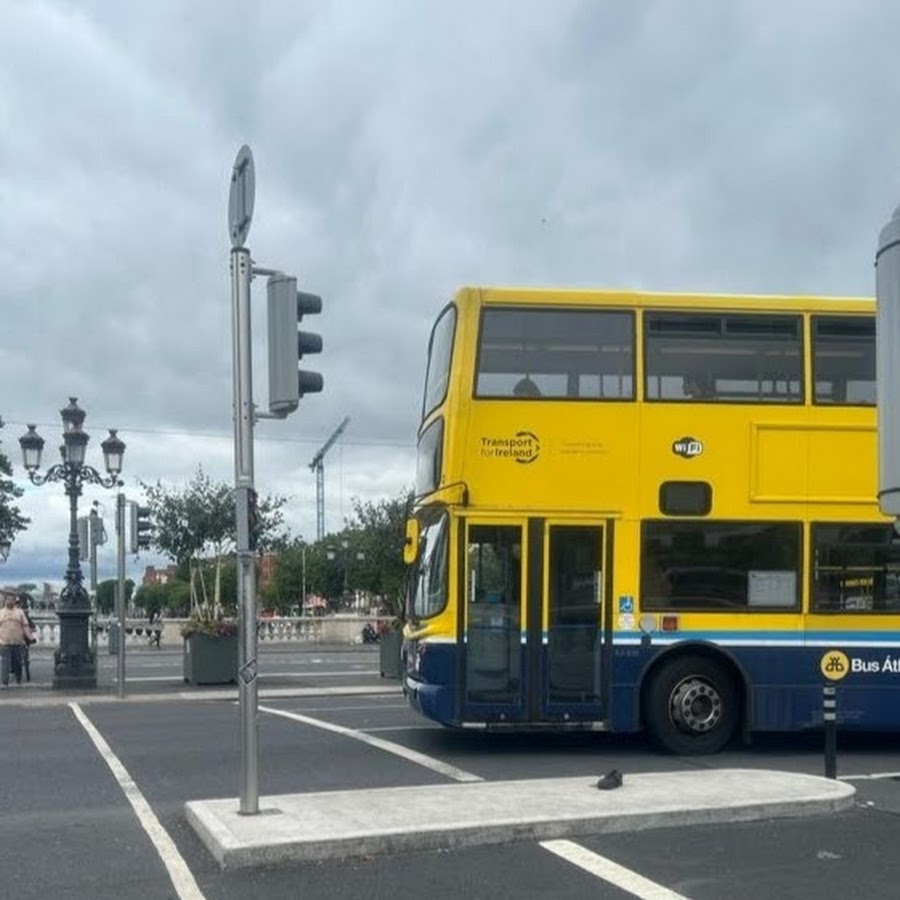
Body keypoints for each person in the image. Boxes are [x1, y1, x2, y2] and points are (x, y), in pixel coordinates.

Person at [0, 594, 31, 687]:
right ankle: (5, 682)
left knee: (17, 663)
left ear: (14, 601)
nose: (10, 601)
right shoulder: (1, 612)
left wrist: (30, 637)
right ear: (5, 601)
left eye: (12, 600)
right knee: (5, 663)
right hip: (4, 642)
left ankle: (18, 679)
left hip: (18, 642)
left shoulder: (20, 612)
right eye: (8, 599)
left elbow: (25, 626)